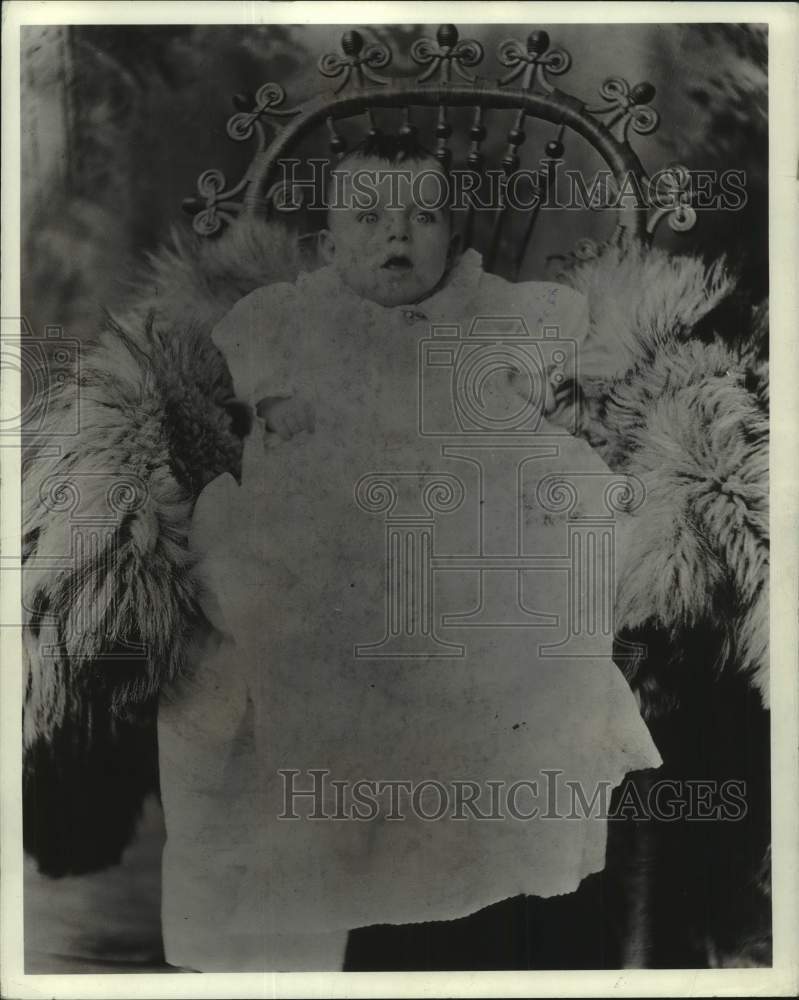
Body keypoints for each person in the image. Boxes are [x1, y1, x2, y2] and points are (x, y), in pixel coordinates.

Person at [157, 133, 661, 972]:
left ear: (455, 235)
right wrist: (287, 414)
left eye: (423, 216)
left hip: (461, 514)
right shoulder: (295, 316)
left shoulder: (488, 308)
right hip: (333, 523)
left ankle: (470, 873)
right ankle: (344, 862)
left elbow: (540, 403)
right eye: (370, 217)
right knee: (278, 620)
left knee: (516, 614)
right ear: (325, 244)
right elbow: (271, 406)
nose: (399, 234)